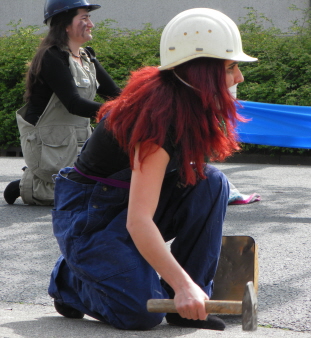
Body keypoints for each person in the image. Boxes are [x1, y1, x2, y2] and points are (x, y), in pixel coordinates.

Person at [48, 8, 257, 331]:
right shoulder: (157, 117)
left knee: (212, 182)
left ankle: (186, 302)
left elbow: (151, 205)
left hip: (123, 206)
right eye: (231, 68)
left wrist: (185, 286)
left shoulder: (183, 99)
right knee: (140, 313)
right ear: (200, 72)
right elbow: (139, 220)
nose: (239, 77)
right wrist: (182, 283)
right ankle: (69, 281)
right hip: (91, 218)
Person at [3, 0, 120, 205]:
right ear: (65, 24)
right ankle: (26, 185)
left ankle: (47, 181)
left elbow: (115, 94)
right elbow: (74, 103)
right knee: (81, 196)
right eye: (84, 18)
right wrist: (121, 111)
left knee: (102, 188)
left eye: (89, 18)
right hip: (50, 146)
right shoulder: (51, 57)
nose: (91, 24)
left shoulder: (87, 57)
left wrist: (141, 104)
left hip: (78, 141)